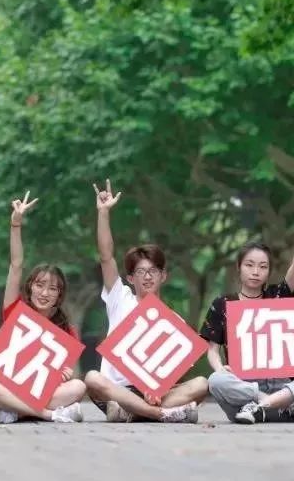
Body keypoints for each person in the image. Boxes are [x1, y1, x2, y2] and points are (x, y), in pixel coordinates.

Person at [201, 195, 294, 424]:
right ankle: (273, 403)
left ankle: (265, 405)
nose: (256, 271)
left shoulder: (278, 296)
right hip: (245, 392)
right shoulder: (222, 304)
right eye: (250, 265)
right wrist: (220, 369)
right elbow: (212, 349)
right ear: (239, 268)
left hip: (283, 385)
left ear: (268, 271)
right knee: (215, 380)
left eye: (263, 267)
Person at [82, 180, 208, 423]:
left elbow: (172, 369)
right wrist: (103, 213)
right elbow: (106, 257)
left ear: (163, 276)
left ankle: (135, 411)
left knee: (202, 384)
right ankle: (157, 415)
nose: (147, 277)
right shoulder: (120, 298)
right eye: (140, 272)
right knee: (92, 379)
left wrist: (158, 389)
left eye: (153, 271)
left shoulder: (175, 320)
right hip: (117, 391)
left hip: (153, 392)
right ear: (130, 278)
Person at [0, 192, 87, 424]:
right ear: (30, 287)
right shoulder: (15, 313)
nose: (44, 293)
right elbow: (16, 265)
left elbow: (65, 375)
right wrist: (16, 224)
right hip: (15, 387)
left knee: (78, 386)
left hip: (41, 392)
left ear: (60, 295)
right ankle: (47, 415)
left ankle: (12, 412)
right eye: (40, 285)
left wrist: (64, 375)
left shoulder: (67, 330)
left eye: (52, 288)